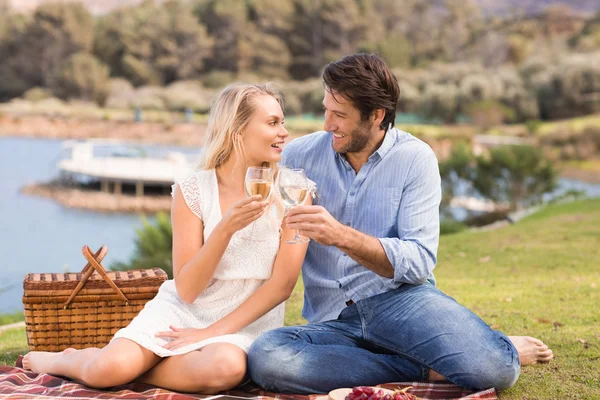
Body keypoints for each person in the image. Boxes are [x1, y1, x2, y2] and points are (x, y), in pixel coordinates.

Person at [247, 54, 553, 394]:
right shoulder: (298, 156)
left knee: (494, 369)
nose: (327, 124)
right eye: (325, 110)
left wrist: (341, 236)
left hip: (402, 302)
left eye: (340, 115)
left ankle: (476, 348)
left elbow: (419, 260)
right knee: (267, 357)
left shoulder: (415, 159)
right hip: (333, 319)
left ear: (376, 115)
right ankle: (423, 366)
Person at [22, 83, 310, 394]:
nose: (284, 132)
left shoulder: (294, 190)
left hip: (247, 321)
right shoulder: (193, 190)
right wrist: (225, 229)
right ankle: (69, 360)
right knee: (109, 369)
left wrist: (210, 333)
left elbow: (282, 286)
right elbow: (186, 290)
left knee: (224, 369)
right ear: (237, 129)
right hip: (184, 310)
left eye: (282, 122)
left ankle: (140, 371)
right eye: (272, 123)